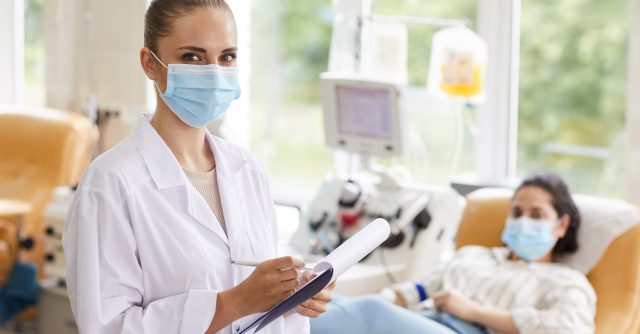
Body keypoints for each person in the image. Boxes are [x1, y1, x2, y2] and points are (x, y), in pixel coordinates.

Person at [62, 1, 333, 333]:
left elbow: (259, 308)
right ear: (149, 63)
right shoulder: (109, 183)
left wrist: (293, 292)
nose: (214, 72)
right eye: (192, 57)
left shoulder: (247, 170)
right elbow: (107, 327)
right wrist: (235, 303)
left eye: (227, 57)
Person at [310, 173, 596, 334]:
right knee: (327, 300)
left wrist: (472, 311)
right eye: (517, 212)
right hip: (427, 320)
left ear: (562, 224)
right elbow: (423, 289)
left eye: (537, 214)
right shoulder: (474, 255)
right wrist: (395, 296)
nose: (524, 221)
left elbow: (567, 330)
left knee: (369, 313)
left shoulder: (566, 281)